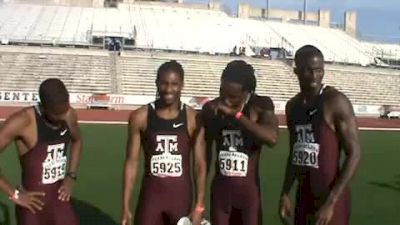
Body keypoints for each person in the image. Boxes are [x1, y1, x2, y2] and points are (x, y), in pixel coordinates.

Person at [279, 45, 361, 225]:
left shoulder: (335, 101)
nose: (314, 76)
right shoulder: (292, 106)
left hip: (331, 200)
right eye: (308, 71)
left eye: (319, 70)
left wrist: (332, 201)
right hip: (304, 198)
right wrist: (285, 192)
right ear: (296, 71)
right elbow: (294, 153)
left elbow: (354, 153)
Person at [121, 60, 207, 225]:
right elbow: (131, 163)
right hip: (151, 200)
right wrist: (125, 205)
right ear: (156, 83)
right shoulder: (140, 117)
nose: (168, 89)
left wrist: (199, 206)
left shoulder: (192, 118)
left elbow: (199, 165)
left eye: (174, 84)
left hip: (181, 200)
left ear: (182, 85)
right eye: (164, 83)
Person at [201, 60, 279, 225]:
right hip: (221, 194)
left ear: (247, 93)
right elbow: (204, 156)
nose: (226, 101)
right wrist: (199, 201)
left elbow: (272, 138)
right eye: (222, 94)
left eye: (233, 97)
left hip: (248, 197)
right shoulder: (213, 110)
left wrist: (236, 115)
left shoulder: (260, 105)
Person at [0, 78, 82, 225]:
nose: (64, 117)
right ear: (43, 107)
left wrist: (71, 176)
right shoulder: (22, 121)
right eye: (57, 115)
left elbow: (77, 141)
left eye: (66, 110)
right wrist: (14, 194)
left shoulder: (69, 114)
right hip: (32, 205)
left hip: (59, 200)